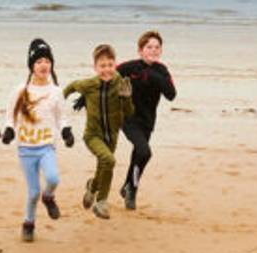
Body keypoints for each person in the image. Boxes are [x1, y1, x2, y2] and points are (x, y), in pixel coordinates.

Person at [0, 39, 73, 242]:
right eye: (39, 61)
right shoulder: (20, 90)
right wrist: (9, 131)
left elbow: (62, 117)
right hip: (26, 149)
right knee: (32, 193)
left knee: (53, 179)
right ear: (31, 65)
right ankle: (28, 223)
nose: (43, 65)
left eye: (47, 61)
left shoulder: (56, 91)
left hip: (46, 146)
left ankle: (48, 197)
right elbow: (10, 116)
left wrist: (66, 131)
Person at [65, 44, 133, 221]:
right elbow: (72, 86)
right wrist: (57, 102)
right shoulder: (89, 84)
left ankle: (92, 186)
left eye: (110, 65)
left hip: (112, 136)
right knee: (109, 160)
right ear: (95, 67)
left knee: (103, 167)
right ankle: (102, 201)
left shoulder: (120, 84)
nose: (107, 70)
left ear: (115, 65)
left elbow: (130, 112)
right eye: (102, 66)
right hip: (93, 135)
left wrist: (126, 99)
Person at [116, 30, 175, 211]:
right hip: (128, 118)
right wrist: (87, 96)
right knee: (144, 151)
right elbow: (107, 75)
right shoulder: (129, 67)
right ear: (140, 50)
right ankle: (132, 189)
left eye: (157, 47)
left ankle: (127, 185)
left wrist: (153, 75)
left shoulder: (162, 71)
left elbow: (171, 94)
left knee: (138, 154)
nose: (153, 50)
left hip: (147, 121)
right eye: (149, 47)